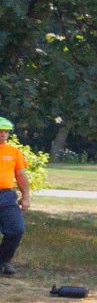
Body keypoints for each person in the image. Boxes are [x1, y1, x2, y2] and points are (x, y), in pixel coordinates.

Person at [0, 118, 31, 277]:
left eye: (6, 131)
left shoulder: (13, 152)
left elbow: (20, 175)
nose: (3, 134)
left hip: (6, 196)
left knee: (16, 230)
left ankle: (4, 260)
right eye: (0, 131)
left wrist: (25, 196)